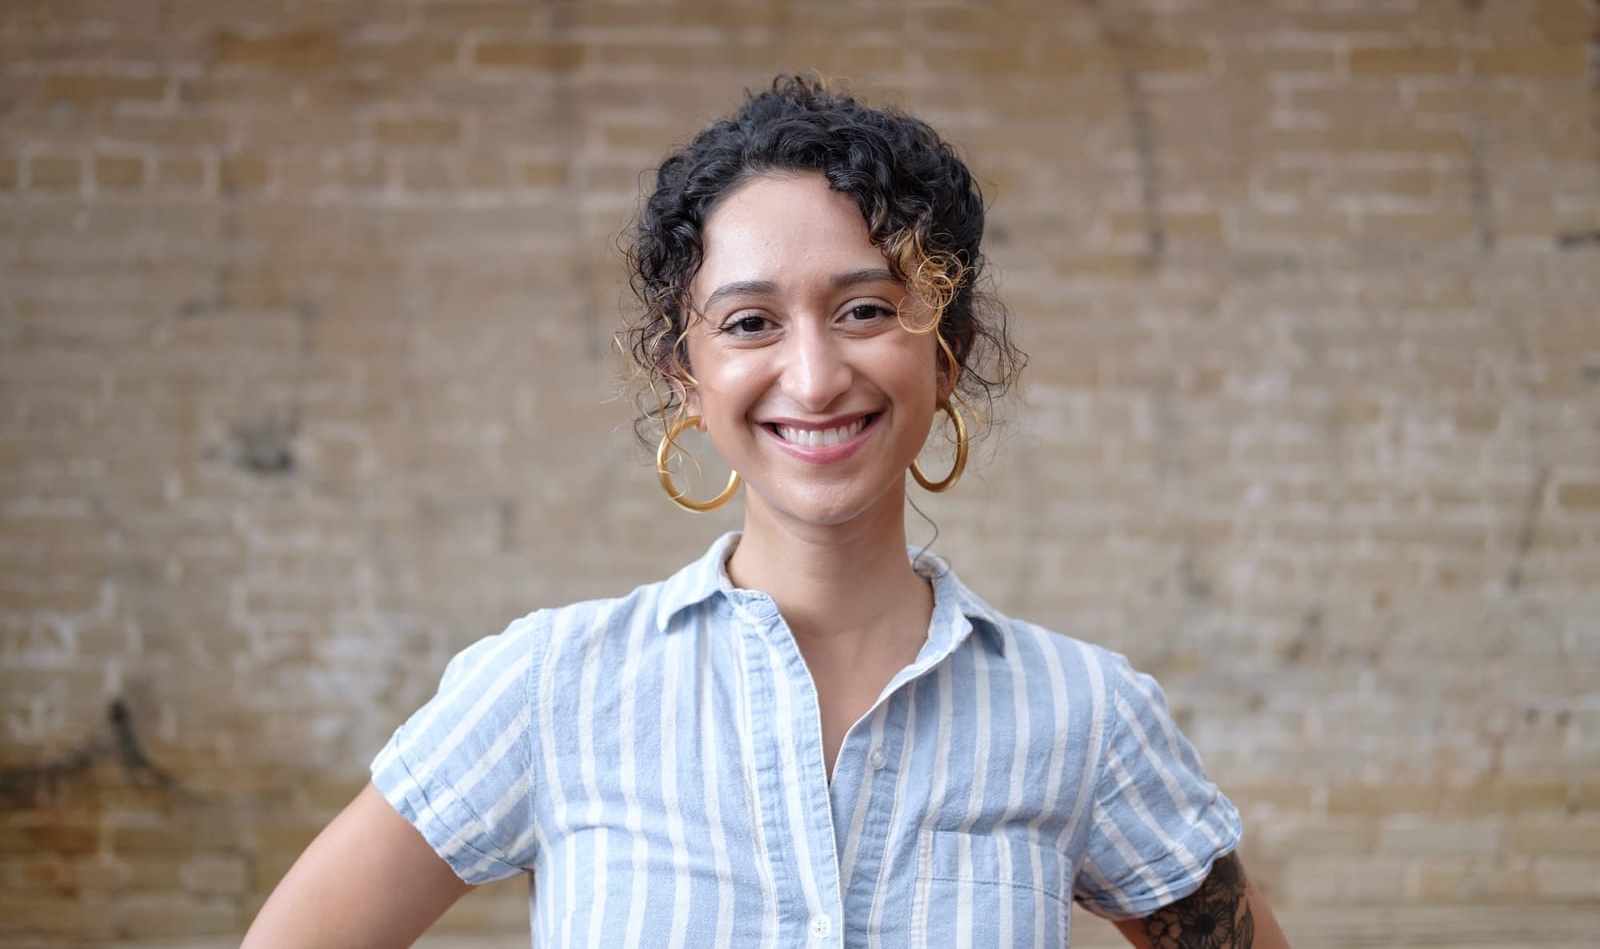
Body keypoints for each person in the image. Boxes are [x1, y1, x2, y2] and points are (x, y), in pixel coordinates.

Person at [242, 75, 1290, 948]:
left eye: (866, 310)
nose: (814, 373)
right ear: (688, 376)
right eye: (749, 321)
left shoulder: (1083, 715)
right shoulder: (552, 688)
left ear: (947, 349)